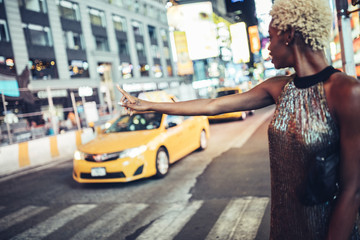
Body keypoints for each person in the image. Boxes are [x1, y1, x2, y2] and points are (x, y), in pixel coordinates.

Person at [117, 0, 360, 239]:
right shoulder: (278, 88)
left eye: (271, 37)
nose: (268, 47)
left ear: (289, 34)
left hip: (330, 226)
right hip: (286, 223)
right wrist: (147, 105)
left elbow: (352, 190)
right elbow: (213, 105)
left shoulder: (346, 91)